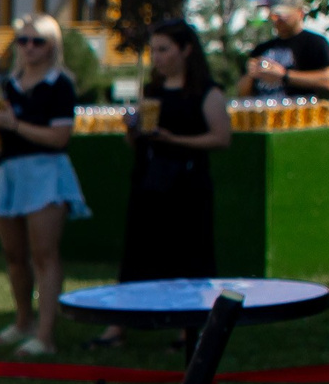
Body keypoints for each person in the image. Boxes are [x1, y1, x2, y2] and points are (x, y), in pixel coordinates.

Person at [98, 20, 232, 347]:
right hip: (150, 181)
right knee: (138, 253)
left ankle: (189, 329)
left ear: (186, 50)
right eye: (153, 50)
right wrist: (133, 129)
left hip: (187, 185)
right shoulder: (153, 91)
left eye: (164, 49)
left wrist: (175, 139)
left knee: (189, 256)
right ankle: (120, 325)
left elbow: (221, 138)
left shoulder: (206, 92)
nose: (157, 57)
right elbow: (138, 141)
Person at [0, 15, 87, 357]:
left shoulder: (61, 84)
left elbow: (59, 137)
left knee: (44, 254)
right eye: (22, 40)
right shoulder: (9, 84)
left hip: (45, 172)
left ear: (52, 45)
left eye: (37, 41)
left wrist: (14, 124)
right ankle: (23, 321)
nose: (28, 47)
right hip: (8, 171)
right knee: (13, 255)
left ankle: (45, 335)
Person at [238, 0, 329, 98]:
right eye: (275, 15)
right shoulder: (262, 49)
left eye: (285, 15)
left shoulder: (315, 43)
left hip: (299, 106)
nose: (279, 19)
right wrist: (250, 75)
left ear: (300, 14)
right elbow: (242, 93)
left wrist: (284, 76)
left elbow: (328, 80)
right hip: (264, 106)